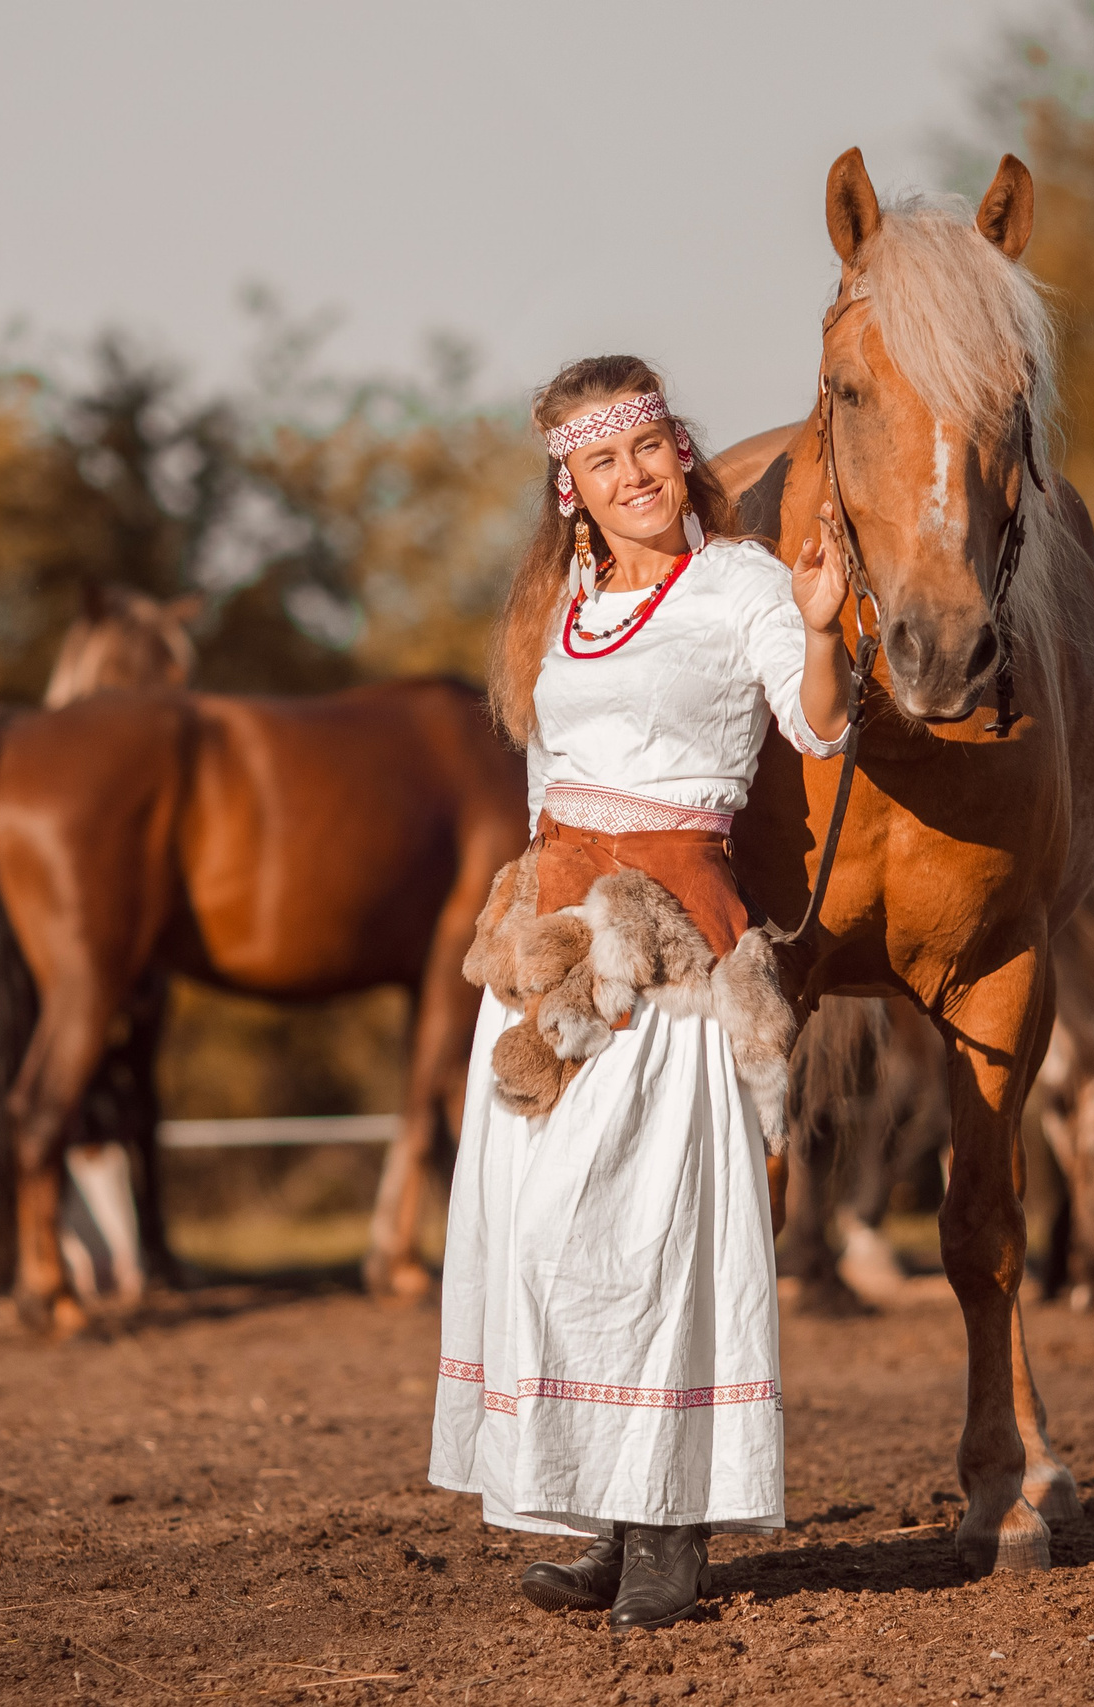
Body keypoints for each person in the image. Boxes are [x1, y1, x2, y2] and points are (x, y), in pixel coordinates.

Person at [430, 354, 852, 1630]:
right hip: (555, 952)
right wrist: (526, 930)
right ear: (571, 486)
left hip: (672, 951)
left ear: (680, 449)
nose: (635, 479)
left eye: (649, 449)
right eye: (603, 463)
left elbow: (821, 727)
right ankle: (606, 1515)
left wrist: (824, 627)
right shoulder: (559, 604)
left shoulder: (739, 586)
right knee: (555, 1236)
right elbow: (545, 778)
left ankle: (670, 1531)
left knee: (654, 1235)